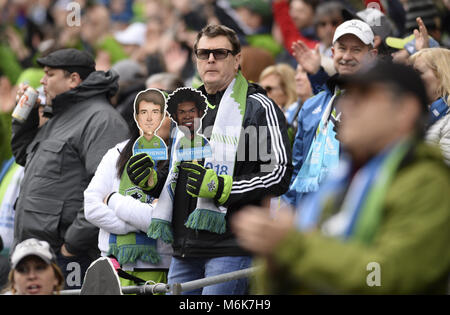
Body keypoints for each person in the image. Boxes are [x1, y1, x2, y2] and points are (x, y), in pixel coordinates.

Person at [232, 61, 450, 294]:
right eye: (348, 97)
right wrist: (276, 264)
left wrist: (291, 246)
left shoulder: (428, 185)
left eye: (363, 97)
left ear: (404, 112)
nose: (346, 106)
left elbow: (386, 276)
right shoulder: (342, 178)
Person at [127, 24, 292, 295]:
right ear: (196, 60)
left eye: (220, 53)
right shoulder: (189, 108)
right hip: (184, 249)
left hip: (231, 247)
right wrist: (152, 180)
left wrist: (224, 187)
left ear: (237, 59)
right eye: (203, 54)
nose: (210, 59)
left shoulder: (258, 106)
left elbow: (279, 174)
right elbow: (180, 176)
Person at [11, 48, 129, 289]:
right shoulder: (61, 115)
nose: (42, 81)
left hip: (67, 254)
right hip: (39, 250)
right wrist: (27, 116)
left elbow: (106, 190)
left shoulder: (102, 120)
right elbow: (25, 156)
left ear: (73, 79)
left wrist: (71, 245)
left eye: (49, 74)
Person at [283, 19, 378, 207]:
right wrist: (289, 209)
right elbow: (298, 167)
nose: (347, 56)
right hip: (307, 210)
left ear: (372, 55)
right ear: (333, 52)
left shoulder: (378, 104)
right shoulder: (311, 106)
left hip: (350, 209)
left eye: (356, 50)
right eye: (342, 48)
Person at [84, 88, 172, 289]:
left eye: (162, 113)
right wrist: (132, 224)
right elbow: (90, 207)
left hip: (157, 271)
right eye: (145, 112)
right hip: (111, 267)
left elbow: (158, 221)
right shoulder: (116, 153)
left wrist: (114, 200)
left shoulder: (179, 158)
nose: (152, 119)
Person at [410, 47, 450, 165]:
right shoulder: (419, 115)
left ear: (442, 75)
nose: (413, 79)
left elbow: (443, 169)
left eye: (418, 73)